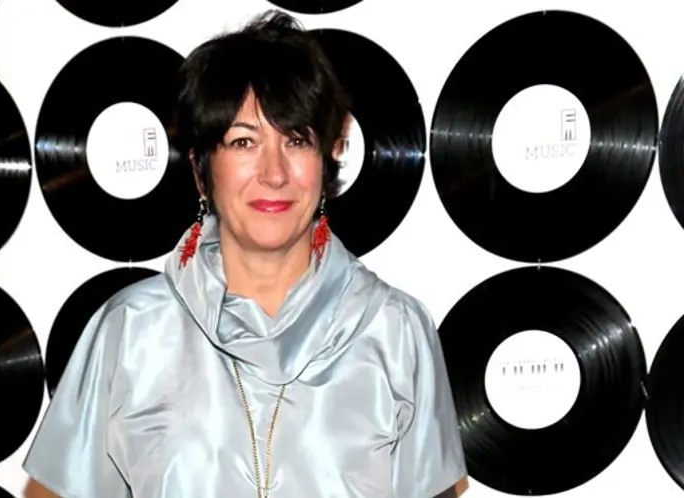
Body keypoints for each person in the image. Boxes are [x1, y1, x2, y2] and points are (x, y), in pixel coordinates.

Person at [23, 9, 467, 498]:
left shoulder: (397, 331)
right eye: (243, 142)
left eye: (296, 140)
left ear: (326, 161)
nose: (274, 173)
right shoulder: (129, 332)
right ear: (202, 170)